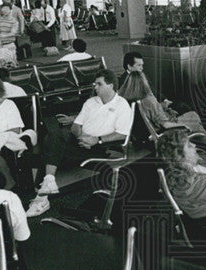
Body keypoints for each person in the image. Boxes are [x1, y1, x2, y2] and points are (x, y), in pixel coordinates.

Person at [28, 68, 132, 217]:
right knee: (53, 136)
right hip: (79, 142)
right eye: (95, 84)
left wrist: (97, 140)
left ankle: (42, 196)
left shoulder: (122, 105)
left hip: (98, 147)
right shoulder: (91, 102)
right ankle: (48, 183)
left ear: (110, 85)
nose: (95, 87)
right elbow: (76, 125)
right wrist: (81, 136)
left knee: (51, 149)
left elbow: (122, 134)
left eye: (99, 84)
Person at [119, 70, 206, 144]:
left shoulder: (126, 100)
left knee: (192, 117)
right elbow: (165, 124)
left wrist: (160, 106)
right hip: (162, 131)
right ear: (144, 82)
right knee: (193, 117)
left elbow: (147, 113)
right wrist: (184, 126)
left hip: (143, 135)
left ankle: (204, 147)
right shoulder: (149, 99)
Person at [0, 3, 20, 68]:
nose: (4, 11)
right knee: (0, 66)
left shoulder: (14, 21)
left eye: (6, 9)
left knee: (12, 65)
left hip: (9, 45)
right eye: (3, 9)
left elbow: (13, 33)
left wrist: (2, 35)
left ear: (10, 10)